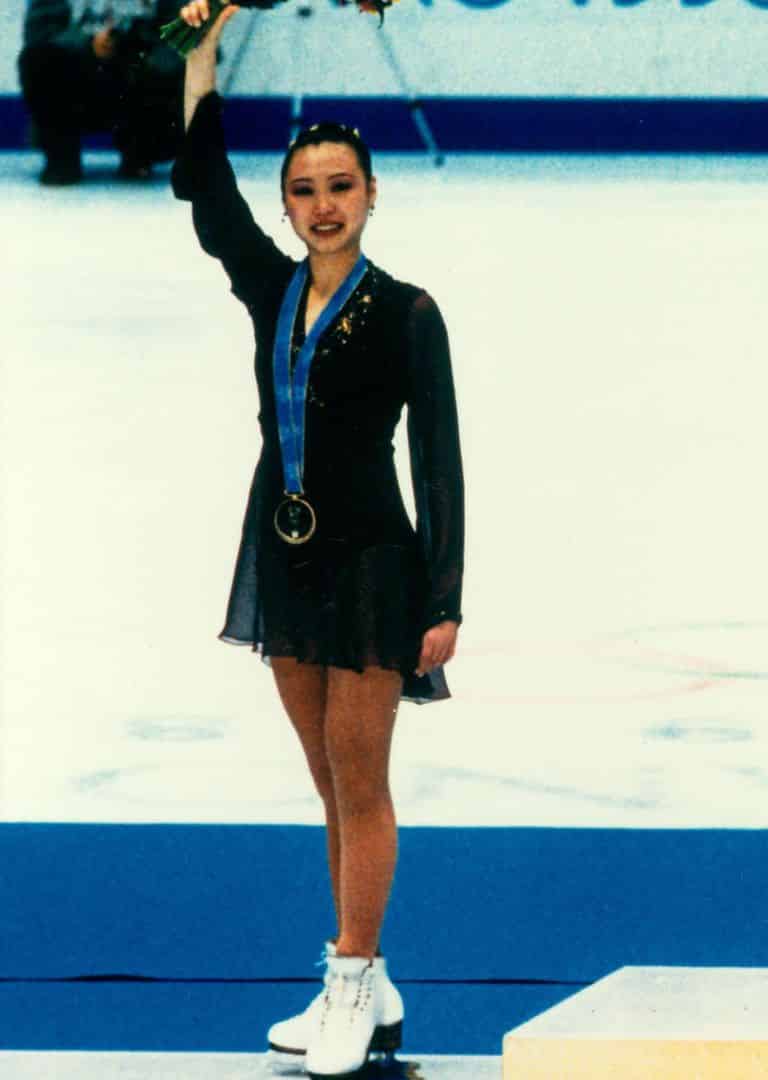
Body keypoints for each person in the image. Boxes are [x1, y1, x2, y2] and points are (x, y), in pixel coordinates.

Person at [172, 3, 464, 1076]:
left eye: (341, 186)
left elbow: (439, 464)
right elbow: (205, 192)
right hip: (285, 550)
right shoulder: (272, 290)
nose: (323, 206)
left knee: (362, 775)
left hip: (375, 562)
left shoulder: (409, 312)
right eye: (304, 190)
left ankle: (351, 975)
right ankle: (365, 982)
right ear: (287, 203)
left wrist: (445, 598)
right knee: (328, 781)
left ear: (373, 194)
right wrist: (202, 49)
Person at [18, 0, 183, 184]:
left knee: (179, 61)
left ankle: (142, 152)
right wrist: (87, 44)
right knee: (38, 59)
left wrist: (134, 48)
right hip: (79, 73)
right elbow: (39, 35)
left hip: (136, 70)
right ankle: (61, 157)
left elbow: (180, 33)